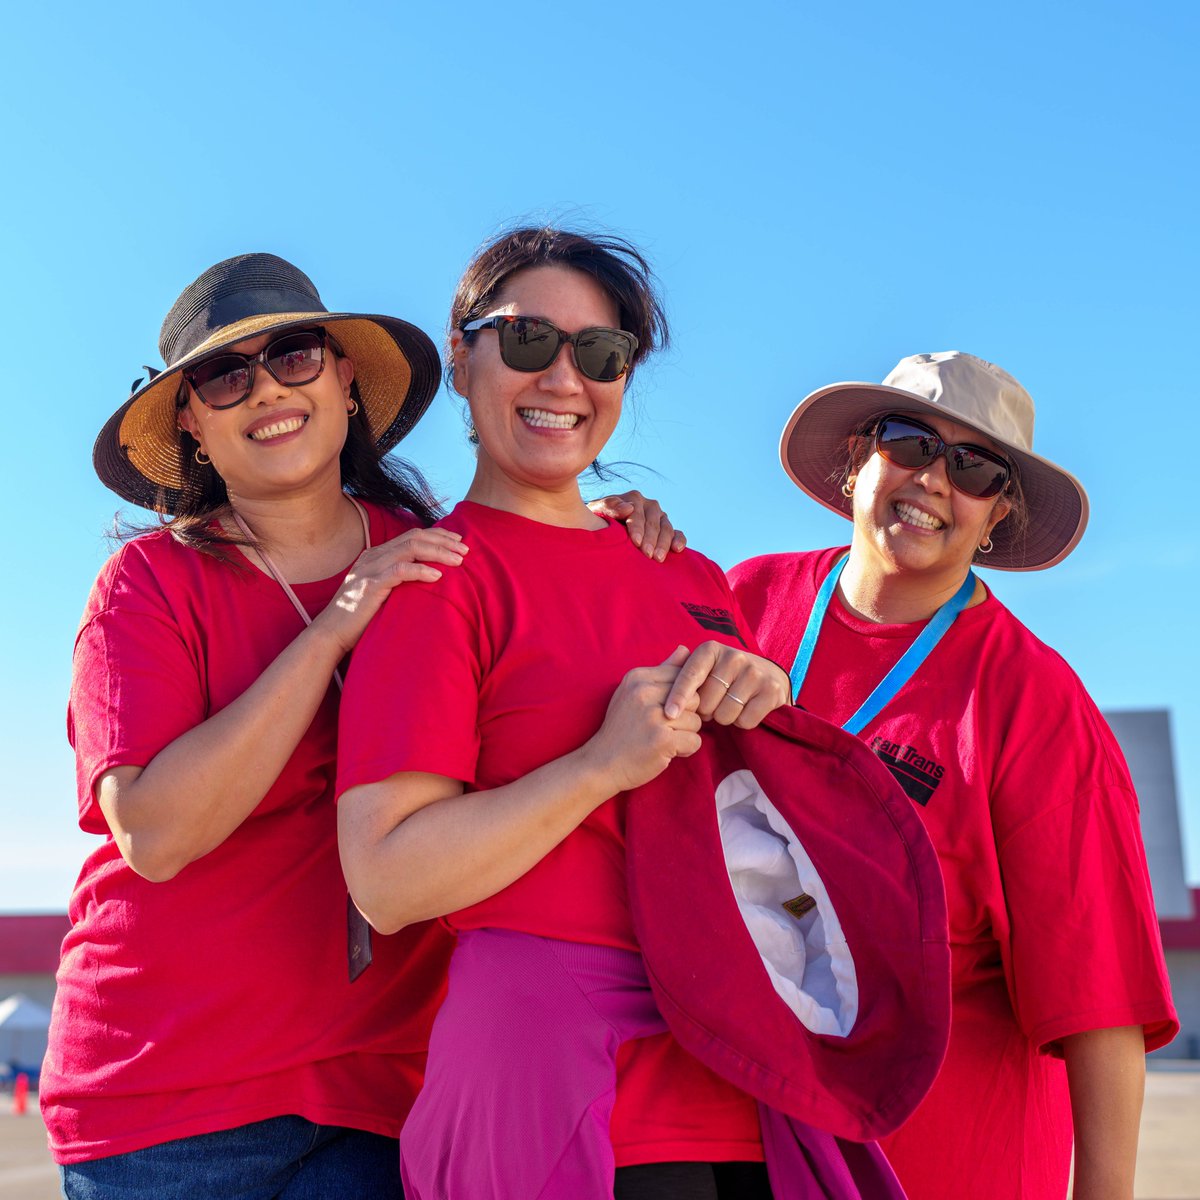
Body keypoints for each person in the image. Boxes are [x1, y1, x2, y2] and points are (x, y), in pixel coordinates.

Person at [45, 251, 677, 1200]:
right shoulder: (147, 586)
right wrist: (336, 623)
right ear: (192, 424)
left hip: (385, 1091)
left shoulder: (442, 552)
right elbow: (156, 835)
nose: (267, 389)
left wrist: (610, 529)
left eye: (295, 355)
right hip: (167, 1100)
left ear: (345, 380)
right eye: (226, 375)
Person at [336, 227, 804, 1199]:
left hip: (743, 1070)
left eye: (600, 354)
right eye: (526, 340)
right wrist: (598, 764)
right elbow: (385, 877)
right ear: (463, 359)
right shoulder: (440, 581)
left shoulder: (686, 570)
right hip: (565, 1095)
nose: (563, 379)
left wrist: (773, 709)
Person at [728, 351, 1179, 1200]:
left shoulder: (1034, 701)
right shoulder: (743, 603)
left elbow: (1100, 991)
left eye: (974, 467)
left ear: (997, 513)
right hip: (737, 1113)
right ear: (861, 455)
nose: (934, 478)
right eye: (910, 442)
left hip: (942, 1151)